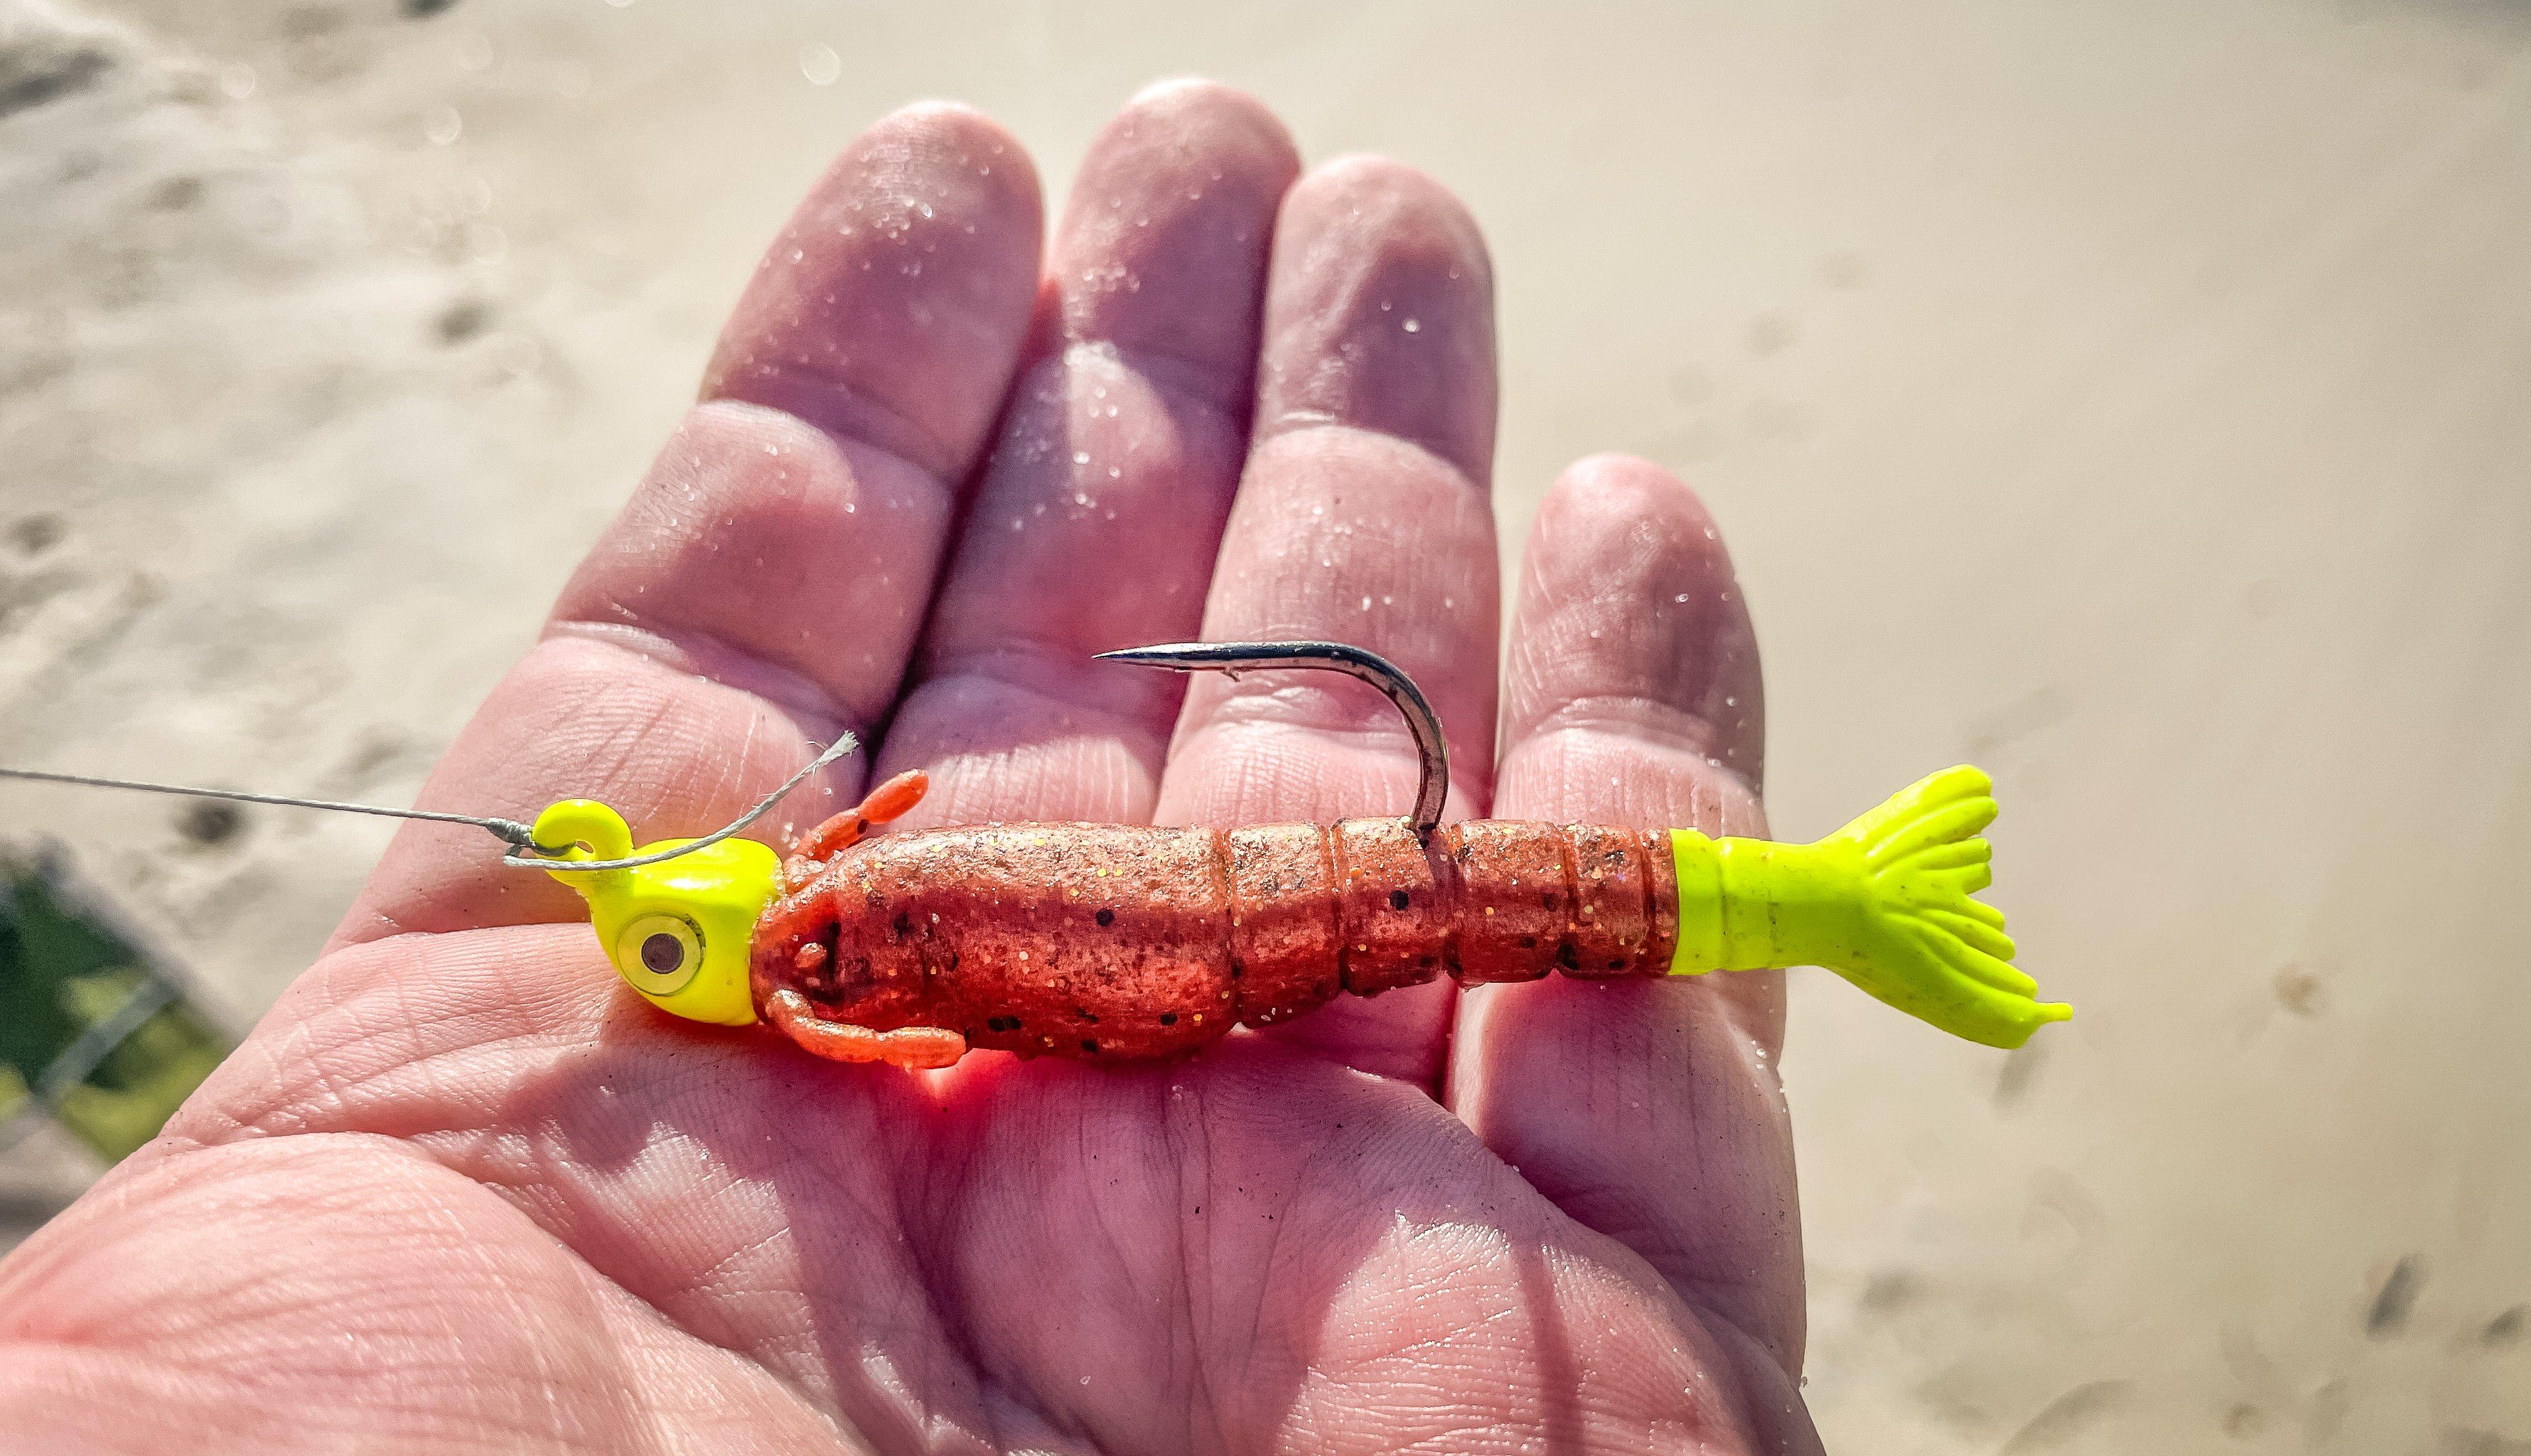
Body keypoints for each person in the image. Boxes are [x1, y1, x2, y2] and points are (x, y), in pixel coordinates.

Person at [0, 82, 1812, 1453]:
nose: (668, 916)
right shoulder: (815, 942)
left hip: (1231, 932)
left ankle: (1806, 900)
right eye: (661, 940)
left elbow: (915, 1030)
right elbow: (918, 1032)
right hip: (1209, 944)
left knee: (1430, 893)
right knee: (1415, 895)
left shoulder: (809, 926)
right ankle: (1799, 901)